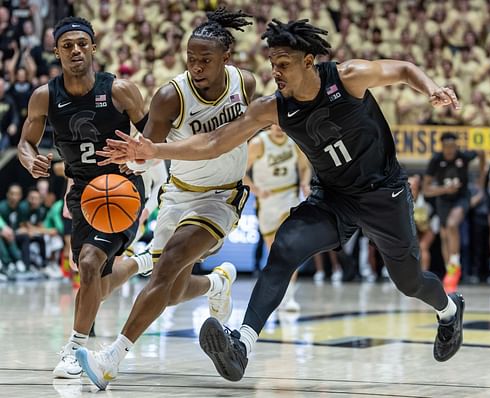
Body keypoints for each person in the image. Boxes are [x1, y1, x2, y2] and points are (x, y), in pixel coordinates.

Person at [97, 19, 465, 381]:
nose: (276, 72)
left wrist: (431, 86)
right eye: (273, 65)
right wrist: (154, 149)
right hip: (333, 197)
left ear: (309, 62)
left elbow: (401, 68)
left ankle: (448, 310)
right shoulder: (272, 107)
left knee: (409, 281)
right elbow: (213, 142)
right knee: (284, 249)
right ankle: (241, 344)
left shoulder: (347, 77)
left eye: (284, 64)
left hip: (383, 193)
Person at [75, 9, 255, 390]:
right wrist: (135, 158)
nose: (196, 65)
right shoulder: (171, 96)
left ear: (227, 57)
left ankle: (112, 358)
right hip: (178, 196)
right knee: (170, 290)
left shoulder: (246, 83)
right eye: (191, 58)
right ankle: (217, 284)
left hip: (222, 197)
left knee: (169, 263)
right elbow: (147, 152)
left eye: (205, 59)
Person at [17, 17, 154, 379]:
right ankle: (141, 263)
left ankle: (75, 348)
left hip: (121, 189)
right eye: (67, 45)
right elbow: (25, 142)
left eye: (82, 43)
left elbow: (155, 135)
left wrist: (138, 155)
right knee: (97, 283)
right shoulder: (45, 96)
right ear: (56, 52)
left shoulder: (120, 90)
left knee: (90, 263)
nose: (75, 50)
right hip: (81, 193)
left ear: (93, 47)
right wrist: (31, 161)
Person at [244, 123, 311, 311]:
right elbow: (241, 172)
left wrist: (305, 184)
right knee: (274, 253)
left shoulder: (294, 141)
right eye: (275, 124)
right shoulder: (258, 143)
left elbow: (305, 167)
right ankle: (277, 295)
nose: (279, 127)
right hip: (267, 201)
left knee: (290, 247)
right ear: (268, 125)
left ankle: (289, 296)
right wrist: (255, 189)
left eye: (282, 123)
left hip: (289, 196)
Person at [423, 133, 485, 292]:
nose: (450, 150)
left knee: (452, 224)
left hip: (461, 197)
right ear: (442, 147)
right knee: (444, 234)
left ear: (456, 146)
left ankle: (455, 262)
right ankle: (449, 270)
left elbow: (481, 152)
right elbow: (427, 190)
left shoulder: (463, 156)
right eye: (447, 147)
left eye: (453, 146)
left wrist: (481, 181)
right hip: (443, 199)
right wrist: (445, 189)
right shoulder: (436, 160)